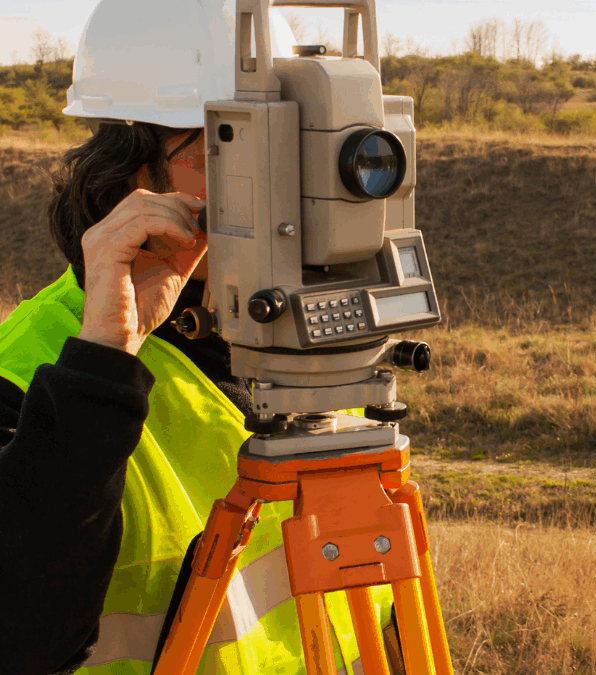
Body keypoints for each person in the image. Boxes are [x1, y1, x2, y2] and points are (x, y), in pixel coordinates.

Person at [0, 0, 399, 673]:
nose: (287, 187)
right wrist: (105, 358)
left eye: (295, 146)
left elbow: (374, 615)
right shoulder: (30, 367)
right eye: (237, 145)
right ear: (133, 175)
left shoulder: (308, 350)